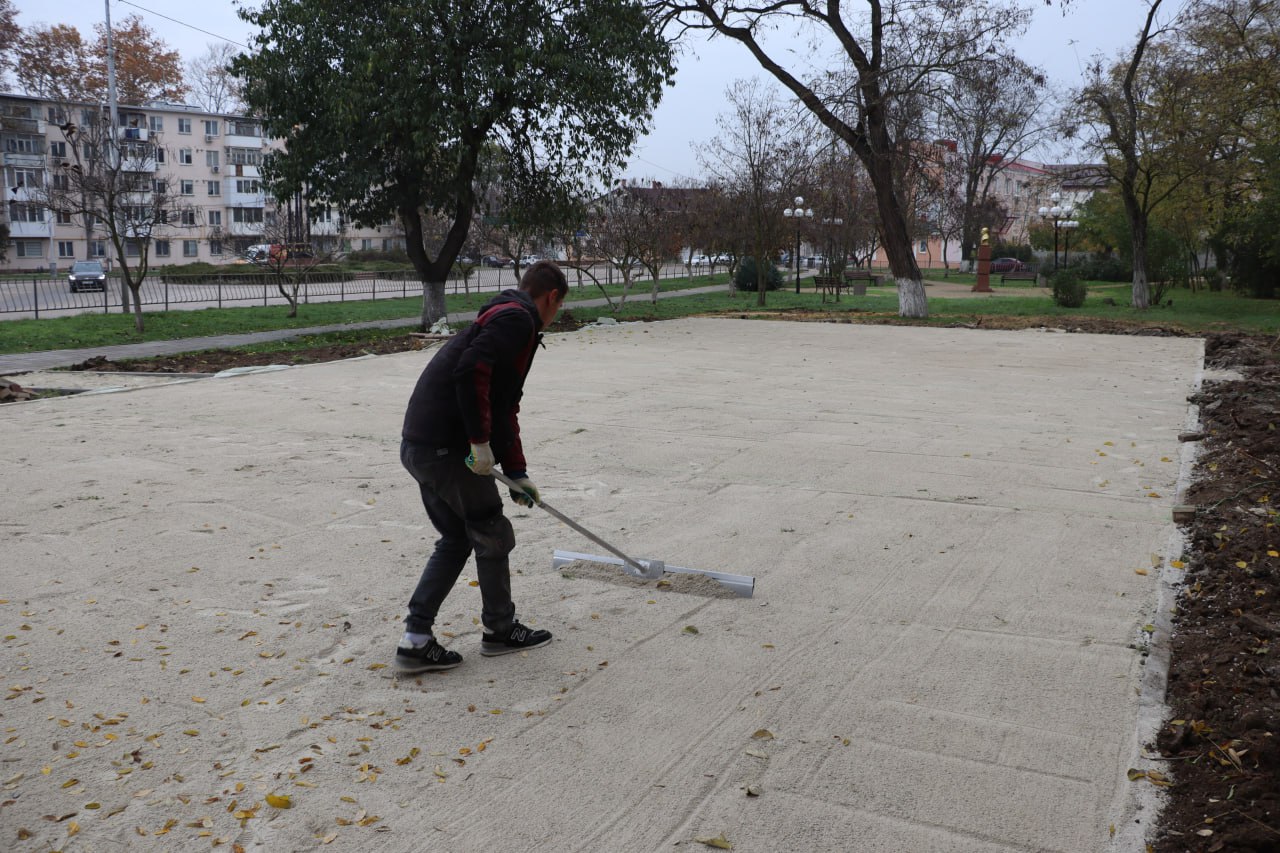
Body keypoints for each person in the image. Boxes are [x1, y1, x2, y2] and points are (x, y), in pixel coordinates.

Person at [395, 260, 568, 673]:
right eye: (558, 307)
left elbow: (503, 404)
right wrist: (478, 443)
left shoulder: (503, 318)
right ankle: (500, 630)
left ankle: (416, 639)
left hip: (420, 445)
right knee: (491, 529)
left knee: (457, 538)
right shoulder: (517, 321)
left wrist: (517, 471)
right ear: (552, 297)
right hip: (442, 449)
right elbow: (470, 372)